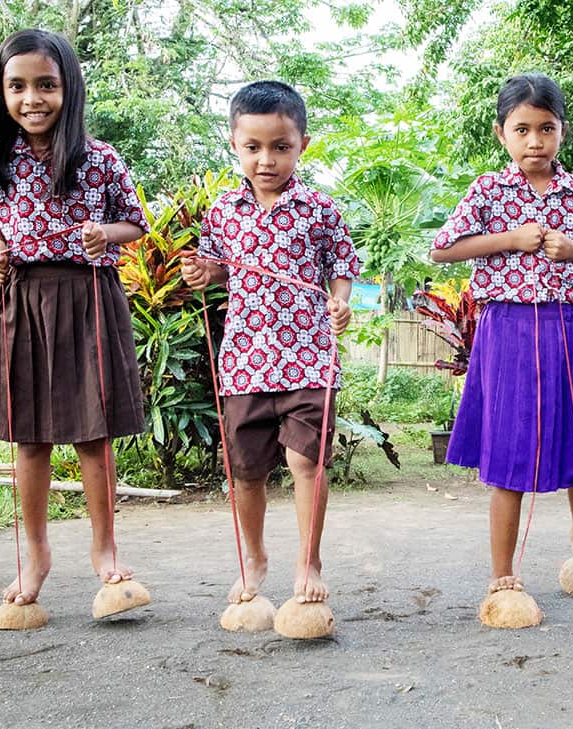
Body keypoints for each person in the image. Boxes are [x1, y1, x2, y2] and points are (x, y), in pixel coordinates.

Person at [0, 29, 149, 605]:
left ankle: (104, 549)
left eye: (46, 85)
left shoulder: (100, 156)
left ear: (69, 89)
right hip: (22, 300)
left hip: (87, 297)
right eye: (17, 86)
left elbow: (136, 223)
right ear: (1, 91)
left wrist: (102, 233)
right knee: (29, 439)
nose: (31, 97)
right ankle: (36, 554)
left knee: (93, 435)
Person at [430, 74, 573, 597]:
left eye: (546, 128)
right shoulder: (488, 190)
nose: (535, 141)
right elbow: (443, 249)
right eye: (522, 129)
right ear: (502, 134)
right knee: (509, 448)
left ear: (562, 131)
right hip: (507, 331)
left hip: (568, 325)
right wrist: (511, 240)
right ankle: (502, 574)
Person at [182, 81, 358, 608]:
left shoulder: (321, 211)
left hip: (309, 360)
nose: (267, 159)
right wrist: (201, 271)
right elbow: (214, 270)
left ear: (302, 143)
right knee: (247, 471)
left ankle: (309, 561)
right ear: (233, 144)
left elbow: (343, 265)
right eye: (253, 147)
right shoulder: (222, 211)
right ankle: (255, 556)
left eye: (281, 146)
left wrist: (341, 300)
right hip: (244, 365)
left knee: (307, 463)